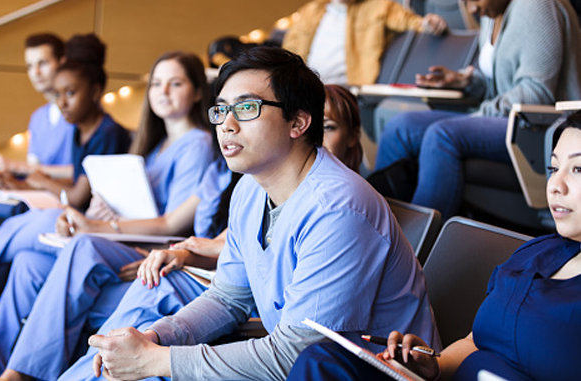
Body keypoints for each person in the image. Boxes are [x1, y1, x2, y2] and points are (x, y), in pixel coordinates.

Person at [64, 46, 439, 381]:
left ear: (298, 122)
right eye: (221, 110)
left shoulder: (340, 209)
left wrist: (159, 361)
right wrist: (156, 338)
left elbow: (297, 356)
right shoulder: (249, 188)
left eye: (246, 108)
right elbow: (228, 299)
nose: (227, 124)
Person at [289, 111, 581, 381]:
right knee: (321, 361)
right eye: (553, 167)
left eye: (578, 169)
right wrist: (433, 366)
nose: (556, 184)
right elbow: (476, 341)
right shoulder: (536, 253)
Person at [0, 51, 217, 381]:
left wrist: (100, 224)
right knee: (27, 264)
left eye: (175, 83)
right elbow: (140, 206)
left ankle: (19, 374)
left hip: (151, 248)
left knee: (83, 246)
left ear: (197, 92)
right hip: (123, 239)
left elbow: (173, 223)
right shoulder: (154, 145)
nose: (162, 91)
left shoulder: (197, 143)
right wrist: (106, 211)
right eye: (156, 83)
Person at [374, 0, 581, 220]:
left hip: (537, 127)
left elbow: (536, 93)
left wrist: (480, 114)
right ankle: (375, 225)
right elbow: (496, 85)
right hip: (503, 117)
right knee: (400, 126)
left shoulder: (538, 6)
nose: (471, 8)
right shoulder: (491, 14)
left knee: (441, 135)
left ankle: (415, 242)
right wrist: (465, 81)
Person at [0, 33, 131, 286]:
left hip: (77, 215)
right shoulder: (77, 128)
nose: (62, 103)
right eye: (58, 94)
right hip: (60, 206)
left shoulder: (105, 132)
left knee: (27, 231)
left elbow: (77, 195)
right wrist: (23, 184)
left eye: (69, 93)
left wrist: (38, 178)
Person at [0, 33, 74, 241]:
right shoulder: (38, 117)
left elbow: (80, 175)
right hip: (30, 195)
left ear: (62, 62)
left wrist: (19, 167)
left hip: (53, 200)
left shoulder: (77, 114)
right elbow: (33, 174)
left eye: (42, 63)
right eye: (30, 66)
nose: (36, 72)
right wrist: (10, 178)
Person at [282, 0, 447, 85]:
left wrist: (428, 23)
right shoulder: (309, 11)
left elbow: (412, 22)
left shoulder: (379, 7)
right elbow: (288, 53)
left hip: (348, 89)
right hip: (305, 87)